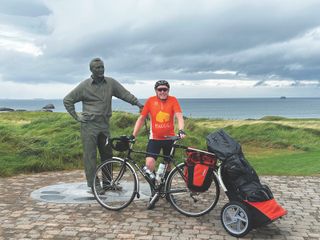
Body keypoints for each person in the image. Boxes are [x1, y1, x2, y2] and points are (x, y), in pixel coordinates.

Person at [64, 57, 143, 192]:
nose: (100, 70)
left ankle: (107, 182)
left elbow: (125, 94)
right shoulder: (84, 86)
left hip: (104, 126)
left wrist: (139, 104)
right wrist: (76, 117)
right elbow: (68, 100)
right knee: (90, 156)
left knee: (107, 154)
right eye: (97, 68)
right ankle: (94, 184)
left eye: (102, 67)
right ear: (91, 70)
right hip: (89, 126)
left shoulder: (111, 83)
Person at [132, 80, 186, 208]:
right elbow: (141, 118)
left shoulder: (173, 100)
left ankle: (167, 193)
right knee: (149, 164)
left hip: (169, 139)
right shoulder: (150, 101)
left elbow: (179, 116)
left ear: (168, 90)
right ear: (156, 90)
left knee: (168, 166)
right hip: (154, 138)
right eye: (160, 89)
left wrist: (181, 129)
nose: (162, 92)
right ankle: (154, 193)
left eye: (165, 89)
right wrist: (133, 135)